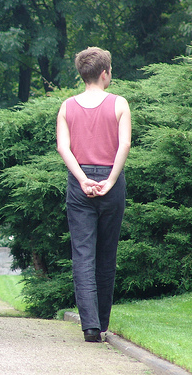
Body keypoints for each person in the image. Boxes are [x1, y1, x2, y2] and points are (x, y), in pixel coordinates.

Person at [56, 47, 131, 342]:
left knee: (83, 254)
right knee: (106, 253)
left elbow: (64, 147)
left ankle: (89, 326)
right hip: (112, 181)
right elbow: (123, 145)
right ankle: (102, 324)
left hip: (79, 184)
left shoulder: (66, 107)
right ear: (105, 73)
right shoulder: (119, 103)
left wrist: (82, 178)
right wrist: (110, 180)